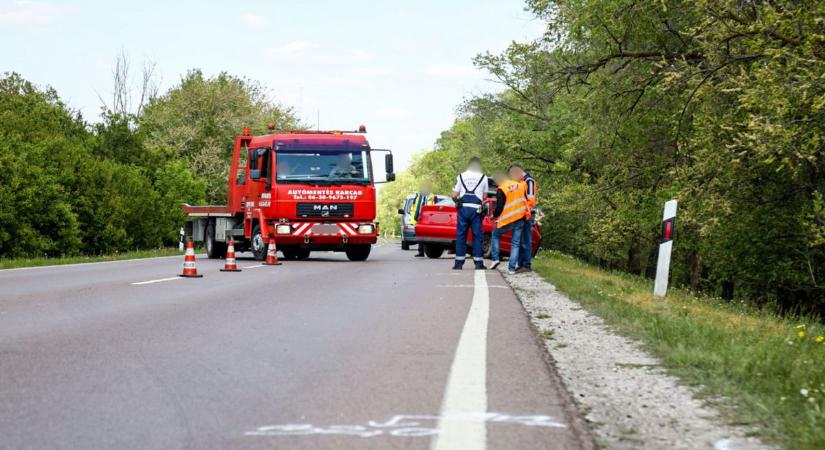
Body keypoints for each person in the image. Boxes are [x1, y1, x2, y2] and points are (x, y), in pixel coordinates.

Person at [451, 157, 488, 270]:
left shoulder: (461, 176)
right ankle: (478, 264)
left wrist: (457, 202)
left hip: (463, 209)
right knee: (477, 236)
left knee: (461, 236)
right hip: (476, 210)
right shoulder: (483, 177)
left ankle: (458, 264)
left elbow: (454, 195)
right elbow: (485, 196)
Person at [489, 171, 528, 274]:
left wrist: (494, 215)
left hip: (507, 219)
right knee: (515, 244)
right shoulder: (520, 185)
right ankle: (511, 269)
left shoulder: (502, 189)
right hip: (520, 218)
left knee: (495, 235)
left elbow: (499, 206)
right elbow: (525, 200)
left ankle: (495, 259)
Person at [509, 164, 537, 272]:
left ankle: (526, 265)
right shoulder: (521, 181)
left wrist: (523, 212)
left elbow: (531, 200)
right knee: (520, 240)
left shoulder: (529, 181)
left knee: (525, 240)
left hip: (526, 214)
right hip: (520, 214)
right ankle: (521, 264)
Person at [410, 182, 438, 257]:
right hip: (419, 217)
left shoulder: (433, 196)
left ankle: (429, 251)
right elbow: (415, 207)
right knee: (420, 235)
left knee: (427, 235)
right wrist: (415, 217)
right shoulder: (418, 196)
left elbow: (436, 207)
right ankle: (420, 252)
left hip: (429, 218)